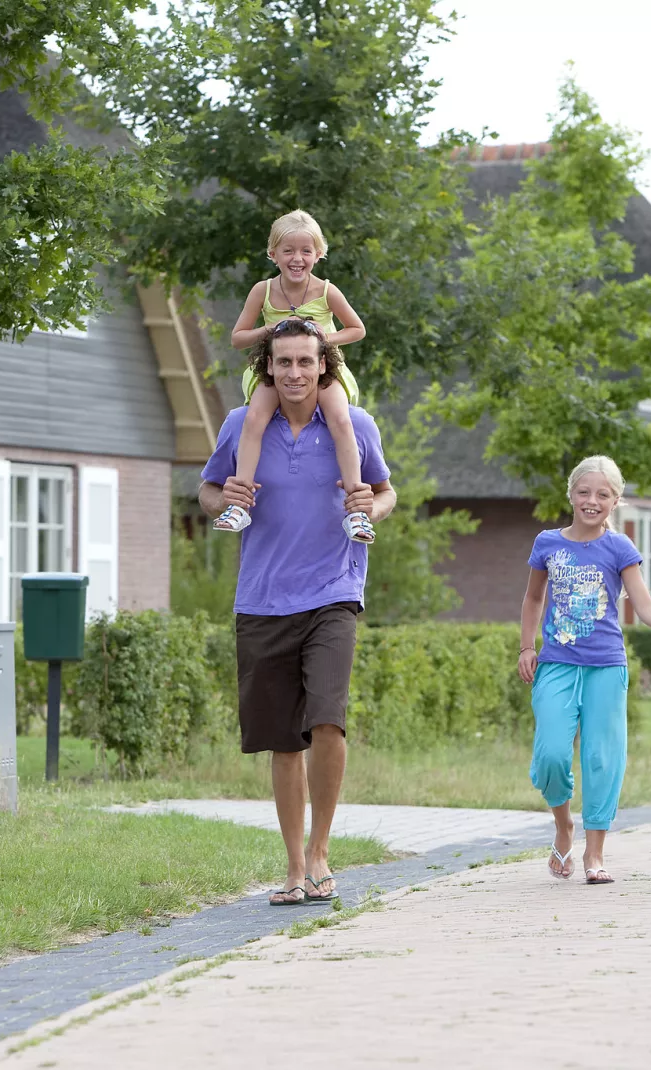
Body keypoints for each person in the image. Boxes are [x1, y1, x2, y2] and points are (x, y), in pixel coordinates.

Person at [198, 317, 396, 906]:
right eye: (282, 362)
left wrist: (372, 507)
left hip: (334, 591)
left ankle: (321, 854)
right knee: (285, 741)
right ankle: (291, 866)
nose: (294, 372)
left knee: (327, 720)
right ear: (268, 368)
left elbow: (386, 492)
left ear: (323, 366)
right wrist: (223, 498)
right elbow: (207, 489)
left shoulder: (354, 425)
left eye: (305, 362)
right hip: (262, 597)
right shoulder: (242, 424)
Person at [517, 455, 651, 885]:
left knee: (602, 758)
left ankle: (594, 854)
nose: (591, 501)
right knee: (551, 756)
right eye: (584, 492)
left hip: (605, 667)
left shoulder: (619, 548)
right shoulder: (547, 543)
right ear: (571, 495)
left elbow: (646, 606)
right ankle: (563, 826)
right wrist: (527, 646)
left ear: (615, 501)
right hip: (557, 665)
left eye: (602, 494)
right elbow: (532, 600)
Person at [216, 210, 373, 543]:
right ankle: (240, 503)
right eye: (288, 251)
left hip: (323, 367)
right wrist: (268, 329)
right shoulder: (264, 290)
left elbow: (356, 329)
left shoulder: (327, 291)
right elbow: (237, 337)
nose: (297, 258)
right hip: (276, 367)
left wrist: (320, 340)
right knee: (255, 416)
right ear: (273, 254)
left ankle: (356, 509)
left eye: (305, 251)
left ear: (318, 254)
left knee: (341, 419)